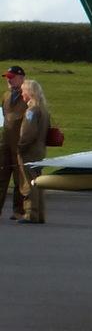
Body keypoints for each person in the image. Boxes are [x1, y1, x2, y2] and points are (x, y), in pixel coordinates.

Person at [16, 78, 50, 224]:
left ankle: (31, 213)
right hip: (40, 150)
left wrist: (20, 147)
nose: (22, 94)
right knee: (38, 183)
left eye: (23, 91)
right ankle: (39, 213)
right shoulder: (43, 110)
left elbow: (28, 133)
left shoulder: (32, 111)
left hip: (30, 151)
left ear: (30, 92)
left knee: (28, 184)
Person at [0, 65, 28, 220]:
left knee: (19, 179)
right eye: (7, 78)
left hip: (21, 144)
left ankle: (19, 210)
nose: (9, 80)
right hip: (5, 142)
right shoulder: (5, 96)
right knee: (1, 176)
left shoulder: (29, 96)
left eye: (12, 77)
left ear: (21, 78)